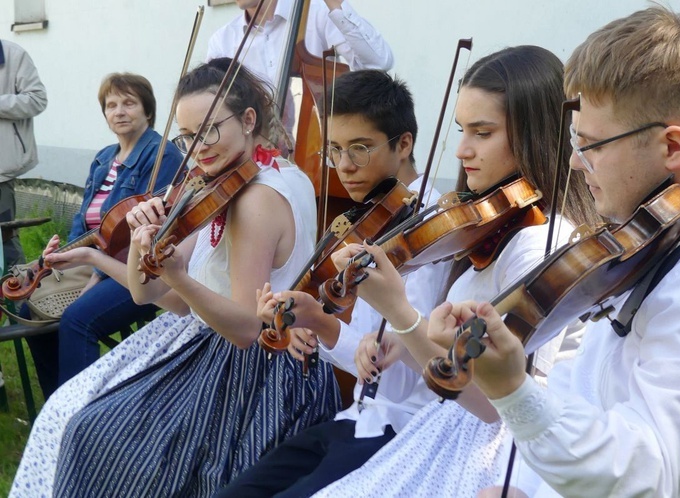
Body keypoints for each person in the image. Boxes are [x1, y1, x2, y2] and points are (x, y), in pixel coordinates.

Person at [427, 6, 680, 497]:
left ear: (672, 147)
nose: (575, 164)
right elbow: (582, 395)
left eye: (591, 144)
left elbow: (650, 468)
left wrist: (513, 388)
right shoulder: (648, 243)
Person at [10, 58, 340, 497]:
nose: (197, 149)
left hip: (253, 374)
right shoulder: (258, 175)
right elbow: (151, 293)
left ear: (248, 119)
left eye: (208, 130)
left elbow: (246, 329)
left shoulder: (253, 200)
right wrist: (135, 244)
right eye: (187, 136)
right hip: (212, 345)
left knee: (92, 433)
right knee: (74, 415)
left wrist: (179, 276)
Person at [310, 46, 598, 497]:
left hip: (493, 460)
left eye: (482, 133)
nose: (462, 150)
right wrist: (401, 339)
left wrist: (400, 314)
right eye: (462, 130)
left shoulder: (543, 243)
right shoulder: (490, 229)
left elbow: (498, 408)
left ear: (536, 134)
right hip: (443, 430)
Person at [216, 69, 449, 497]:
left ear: (404, 144)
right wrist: (315, 321)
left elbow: (390, 370)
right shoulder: (373, 219)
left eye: (358, 149)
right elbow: (364, 355)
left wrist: (327, 327)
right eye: (335, 150)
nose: (344, 167)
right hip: (355, 419)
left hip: (401, 431)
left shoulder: (433, 231)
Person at [24, 72, 183, 399]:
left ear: (148, 111)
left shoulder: (161, 155)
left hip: (139, 270)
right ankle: (57, 407)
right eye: (111, 105)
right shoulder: (103, 157)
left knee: (77, 320)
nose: (120, 111)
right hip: (93, 262)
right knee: (29, 312)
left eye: (129, 103)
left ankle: (83, 416)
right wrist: (63, 256)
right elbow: (83, 222)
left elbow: (139, 233)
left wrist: (95, 277)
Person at [207, 0, 394, 146]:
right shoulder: (222, 42)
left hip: (317, 153)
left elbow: (377, 63)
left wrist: (335, 5)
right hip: (257, 159)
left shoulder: (316, 12)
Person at [0, 39, 47, 268]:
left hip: (1, 170)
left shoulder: (13, 55)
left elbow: (38, 99)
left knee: (4, 238)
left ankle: (17, 299)